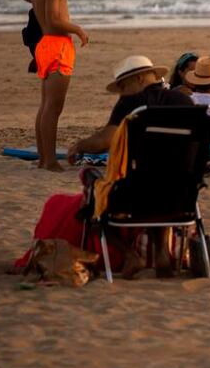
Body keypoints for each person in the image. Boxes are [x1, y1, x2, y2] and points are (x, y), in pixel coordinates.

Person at [65, 55, 191, 278]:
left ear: (140, 78)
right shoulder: (184, 102)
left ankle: (129, 254)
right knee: (160, 182)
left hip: (137, 194)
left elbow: (104, 141)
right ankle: (161, 253)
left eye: (123, 86)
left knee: (95, 199)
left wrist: (79, 146)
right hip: (183, 193)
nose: (122, 92)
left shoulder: (130, 104)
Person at [20, 0, 89, 172]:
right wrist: (77, 29)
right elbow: (54, 21)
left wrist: (38, 4)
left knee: (45, 105)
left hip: (43, 47)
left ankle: (42, 158)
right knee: (53, 107)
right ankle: (49, 160)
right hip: (57, 47)